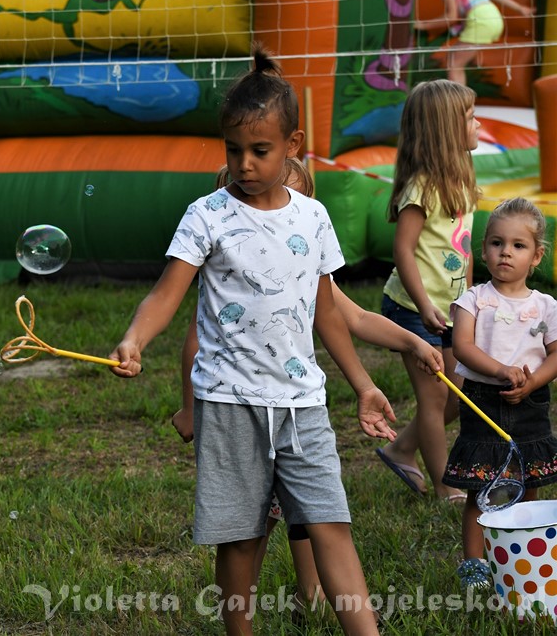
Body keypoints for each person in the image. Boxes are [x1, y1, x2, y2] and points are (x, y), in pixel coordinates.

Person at [109, 46, 393, 635]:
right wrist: (135, 337)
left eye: (260, 150)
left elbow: (327, 313)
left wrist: (363, 385)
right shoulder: (206, 216)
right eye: (233, 149)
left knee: (331, 525)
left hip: (303, 404)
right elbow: (166, 294)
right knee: (240, 537)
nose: (244, 163)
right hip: (229, 402)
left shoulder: (313, 217)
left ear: (293, 145)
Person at [170, 159, 445, 611]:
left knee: (312, 520)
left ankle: (310, 593)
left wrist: (412, 341)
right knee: (249, 534)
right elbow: (194, 343)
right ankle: (241, 608)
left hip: (294, 410)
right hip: (241, 410)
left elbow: (357, 317)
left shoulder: (308, 259)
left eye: (296, 197)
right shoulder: (228, 269)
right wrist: (188, 407)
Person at [443, 197, 557, 589]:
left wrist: (533, 381)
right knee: (482, 487)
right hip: (484, 401)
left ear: (536, 256)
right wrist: (501, 370)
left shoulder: (546, 306)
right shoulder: (474, 299)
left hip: (530, 403)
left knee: (529, 481)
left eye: (518, 245)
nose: (505, 252)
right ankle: (475, 564)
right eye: (497, 243)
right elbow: (463, 347)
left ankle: (522, 554)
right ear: (484, 249)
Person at [376, 78, 480, 504]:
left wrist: (472, 301)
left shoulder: (463, 178)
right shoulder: (422, 187)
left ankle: (401, 448)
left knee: (459, 394)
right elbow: (403, 249)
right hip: (413, 309)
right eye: (470, 118)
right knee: (435, 399)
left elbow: (464, 248)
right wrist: (423, 305)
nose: (478, 124)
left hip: (451, 310)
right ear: (446, 130)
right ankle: (445, 486)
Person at [415, 0, 534, 86]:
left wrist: (423, 25)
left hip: (480, 19)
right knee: (454, 59)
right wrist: (520, 8)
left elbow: (451, 17)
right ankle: (460, 96)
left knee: (454, 63)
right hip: (493, 16)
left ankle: (459, 98)